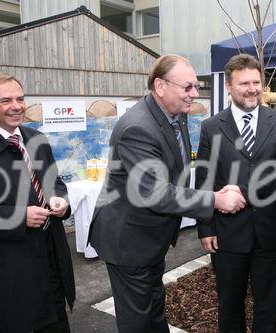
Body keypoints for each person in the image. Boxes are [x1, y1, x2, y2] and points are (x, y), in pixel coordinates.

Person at [88, 54, 246, 332]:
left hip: (150, 237)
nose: (195, 94)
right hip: (129, 240)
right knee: (138, 321)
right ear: (160, 86)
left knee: (154, 310)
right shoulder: (137, 127)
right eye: (187, 87)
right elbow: (156, 193)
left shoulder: (175, 116)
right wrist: (217, 199)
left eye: (196, 86)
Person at [195, 53, 276, 333]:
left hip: (271, 229)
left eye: (256, 82)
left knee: (269, 303)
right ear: (228, 86)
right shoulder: (211, 127)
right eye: (244, 83)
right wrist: (205, 227)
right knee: (229, 305)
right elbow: (204, 179)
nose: (252, 89)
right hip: (228, 233)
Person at [0, 72, 75, 332]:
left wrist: (59, 198)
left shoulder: (36, 140)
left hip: (51, 270)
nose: (16, 106)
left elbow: (54, 182)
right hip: (7, 280)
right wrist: (18, 217)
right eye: (5, 101)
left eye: (20, 98)